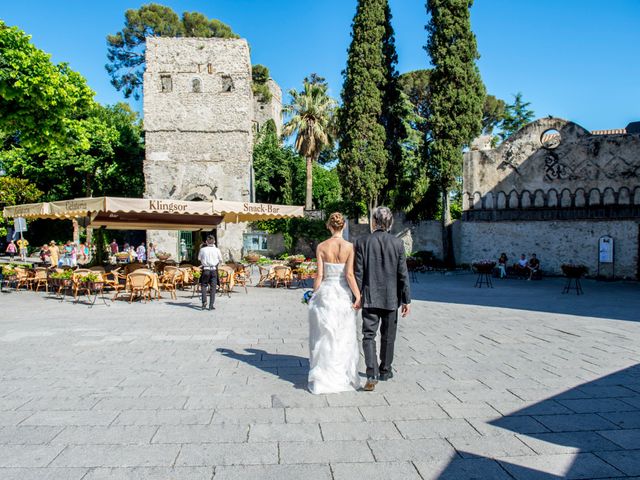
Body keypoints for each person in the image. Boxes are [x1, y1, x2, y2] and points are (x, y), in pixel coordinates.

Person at [355, 206, 411, 392]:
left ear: (374, 221)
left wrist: (356, 296)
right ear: (389, 223)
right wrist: (406, 300)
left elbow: (358, 273)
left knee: (368, 335)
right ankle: (385, 370)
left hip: (370, 297)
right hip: (390, 298)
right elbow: (403, 274)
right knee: (388, 336)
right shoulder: (397, 243)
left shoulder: (362, 242)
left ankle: (372, 372)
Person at [307, 212, 361, 394]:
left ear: (329, 226)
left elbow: (319, 276)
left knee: (324, 337)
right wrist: (358, 295)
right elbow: (349, 275)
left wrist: (313, 295)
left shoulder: (322, 247)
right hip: (342, 295)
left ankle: (323, 378)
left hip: (326, 294)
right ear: (343, 226)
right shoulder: (349, 247)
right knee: (342, 336)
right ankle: (342, 376)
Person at [198, 235, 222, 311]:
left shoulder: (202, 250)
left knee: (204, 286)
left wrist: (204, 261)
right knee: (213, 288)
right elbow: (221, 260)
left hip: (206, 269)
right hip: (214, 270)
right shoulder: (217, 250)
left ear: (206, 242)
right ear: (214, 241)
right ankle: (211, 305)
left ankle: (204, 302)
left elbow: (199, 258)